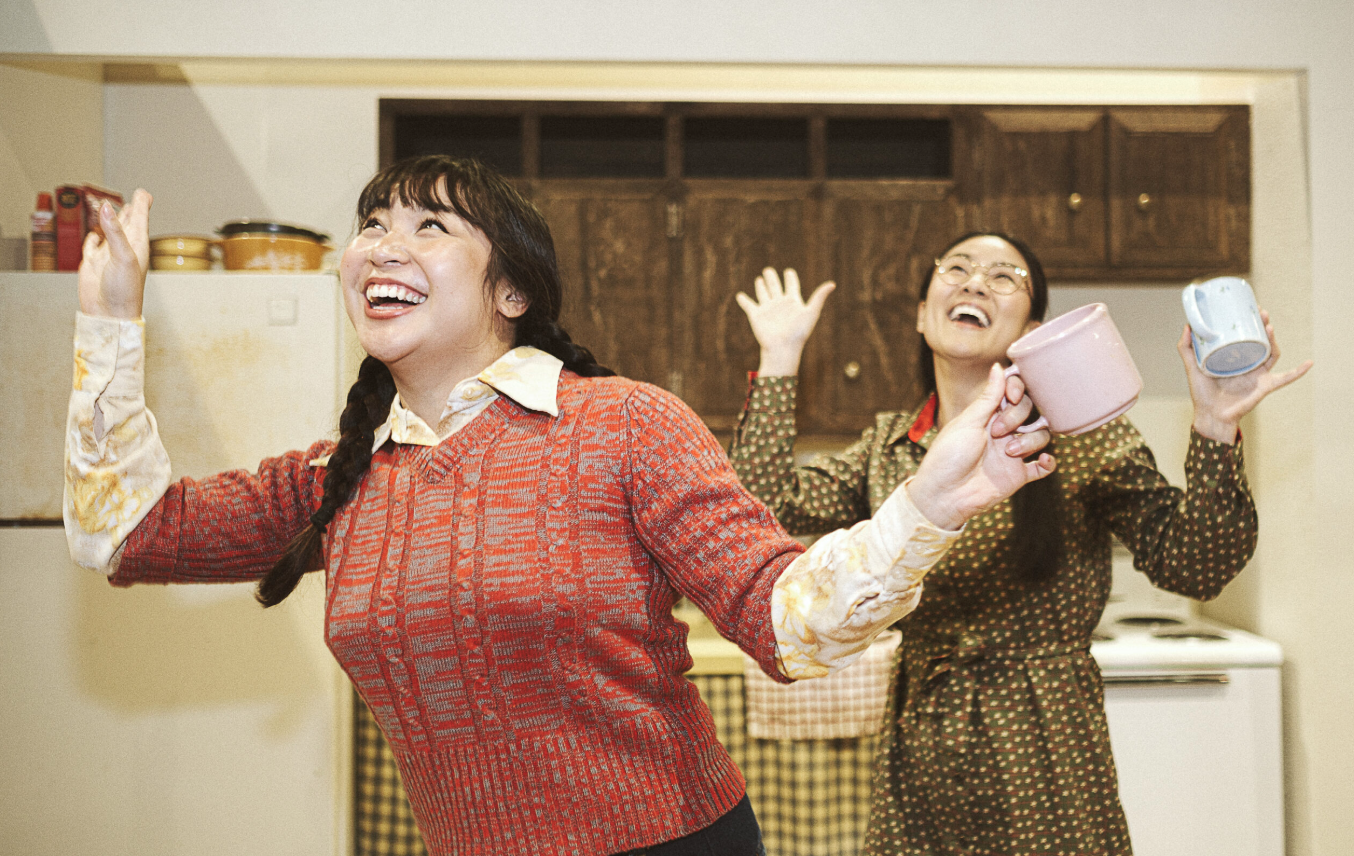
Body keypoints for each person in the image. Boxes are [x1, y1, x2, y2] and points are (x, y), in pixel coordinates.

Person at [63, 159, 1056, 856]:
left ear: (510, 291)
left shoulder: (623, 424)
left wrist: (927, 503)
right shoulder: (346, 474)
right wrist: (108, 319)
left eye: (428, 226)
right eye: (373, 224)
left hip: (671, 844)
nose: (381, 245)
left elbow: (784, 622)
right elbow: (124, 529)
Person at [730, 233, 1311, 856]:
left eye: (1005, 276)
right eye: (956, 268)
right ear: (924, 314)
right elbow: (758, 515)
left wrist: (1216, 426)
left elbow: (1197, 566)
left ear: (1032, 328)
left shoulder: (1081, 436)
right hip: (922, 745)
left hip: (1048, 747)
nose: (976, 281)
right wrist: (781, 357)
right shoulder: (889, 449)